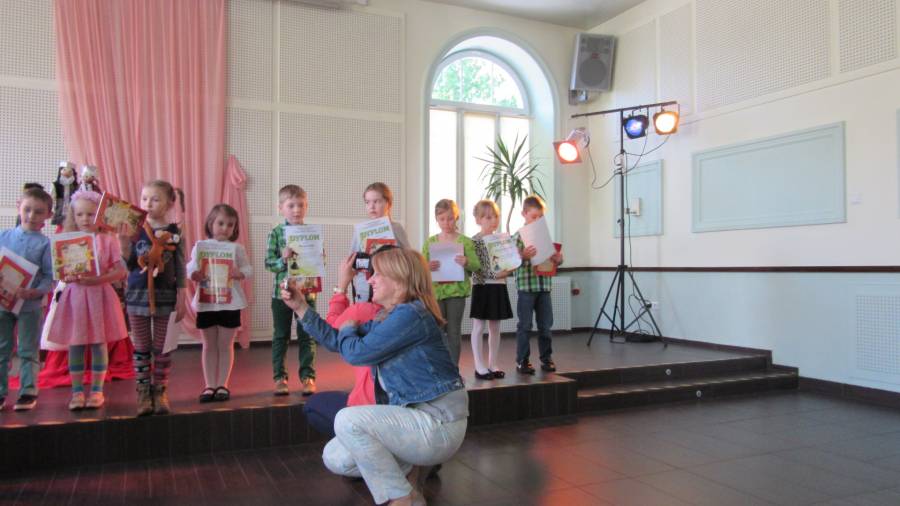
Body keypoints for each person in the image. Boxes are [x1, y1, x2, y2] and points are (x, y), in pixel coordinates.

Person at [281, 248, 467, 506]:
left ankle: (401, 497)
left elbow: (356, 353)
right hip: (416, 418)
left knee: (347, 419)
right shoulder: (389, 316)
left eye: (377, 274)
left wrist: (348, 328)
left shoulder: (411, 315)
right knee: (336, 456)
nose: (370, 280)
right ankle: (411, 481)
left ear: (399, 279)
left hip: (437, 422)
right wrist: (301, 307)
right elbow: (336, 340)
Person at [46, 190, 128, 410]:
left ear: (100, 215)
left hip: (100, 296)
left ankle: (97, 391)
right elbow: (60, 273)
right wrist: (66, 276)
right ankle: (77, 392)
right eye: (80, 214)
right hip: (75, 298)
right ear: (73, 215)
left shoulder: (108, 240)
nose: (85, 219)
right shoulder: (68, 240)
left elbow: (120, 271)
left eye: (90, 214)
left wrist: (98, 279)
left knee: (99, 342)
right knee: (76, 342)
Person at [120, 180, 186, 415]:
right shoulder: (135, 229)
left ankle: (160, 391)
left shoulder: (175, 233)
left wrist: (182, 296)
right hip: (137, 297)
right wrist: (123, 244)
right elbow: (129, 265)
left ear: (169, 203)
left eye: (155, 199)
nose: (148, 203)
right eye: (144, 198)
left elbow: (180, 267)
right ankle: (143, 392)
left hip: (165, 297)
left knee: (162, 347)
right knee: (141, 346)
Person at [302, 252, 380, 437]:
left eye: (376, 274)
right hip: (400, 411)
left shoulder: (365, 310)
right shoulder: (416, 311)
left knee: (312, 406)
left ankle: (357, 441)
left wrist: (342, 286)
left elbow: (330, 332)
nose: (370, 280)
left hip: (368, 409)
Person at [187, 204, 251, 403]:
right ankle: (209, 385)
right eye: (220, 223)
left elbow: (248, 269)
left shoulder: (237, 248)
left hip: (230, 303)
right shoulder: (200, 246)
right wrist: (194, 274)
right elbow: (190, 267)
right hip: (207, 303)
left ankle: (223, 384)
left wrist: (239, 273)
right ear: (210, 224)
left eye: (230, 225)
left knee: (225, 345)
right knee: (208, 346)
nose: (225, 228)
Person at [0, 187, 53, 411]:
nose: (31, 216)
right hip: (3, 304)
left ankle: (28, 391)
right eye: (27, 209)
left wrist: (35, 292)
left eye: (38, 212)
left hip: (30, 306)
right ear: (18, 206)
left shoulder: (45, 244)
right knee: (2, 348)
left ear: (48, 215)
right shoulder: (3, 236)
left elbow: (50, 276)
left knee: (28, 349)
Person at [265, 185, 317, 396]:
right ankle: (280, 378)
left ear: (307, 206)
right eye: (291, 205)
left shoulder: (312, 233)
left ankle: (308, 377)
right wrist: (283, 259)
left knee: (308, 335)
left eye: (301, 205)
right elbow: (269, 264)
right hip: (282, 294)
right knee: (281, 336)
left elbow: (318, 264)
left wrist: (319, 258)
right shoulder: (276, 232)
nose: (297, 210)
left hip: (306, 293)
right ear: (281, 208)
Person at [423, 199, 480, 365]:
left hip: (457, 293)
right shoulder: (430, 242)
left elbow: (477, 266)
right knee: (438, 331)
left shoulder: (465, 242)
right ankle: (440, 367)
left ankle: (454, 368)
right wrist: (427, 266)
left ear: (456, 218)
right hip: (436, 293)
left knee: (454, 332)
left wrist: (467, 262)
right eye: (442, 219)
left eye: (450, 218)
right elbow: (420, 266)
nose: (446, 223)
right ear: (436, 219)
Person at [514, 195, 563, 375]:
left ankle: (546, 358)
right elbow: (510, 261)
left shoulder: (546, 236)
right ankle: (522, 360)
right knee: (525, 326)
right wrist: (523, 255)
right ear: (524, 214)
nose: (537, 220)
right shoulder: (517, 236)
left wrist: (558, 259)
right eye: (533, 217)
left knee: (545, 326)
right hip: (526, 287)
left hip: (544, 286)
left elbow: (557, 259)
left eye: (540, 217)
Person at [469, 200, 513, 380]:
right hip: (481, 286)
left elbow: (508, 264)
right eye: (488, 217)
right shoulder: (474, 241)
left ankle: (493, 363)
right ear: (478, 220)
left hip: (498, 286)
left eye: (495, 216)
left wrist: (511, 267)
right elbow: (476, 267)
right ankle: (479, 365)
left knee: (495, 326)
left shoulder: (502, 240)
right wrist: (496, 274)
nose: (493, 220)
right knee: (479, 326)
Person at [350, 182, 411, 303]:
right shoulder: (360, 230)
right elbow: (352, 261)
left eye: (376, 201)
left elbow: (408, 258)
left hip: (391, 289)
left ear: (388, 203)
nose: (371, 206)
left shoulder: (396, 228)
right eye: (367, 202)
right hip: (365, 288)